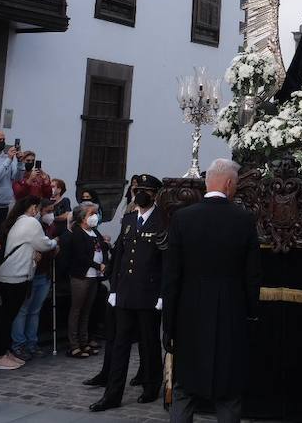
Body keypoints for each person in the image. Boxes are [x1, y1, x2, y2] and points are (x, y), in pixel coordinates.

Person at [162, 159, 262, 423]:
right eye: (237, 184)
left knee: (184, 389)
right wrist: (251, 315)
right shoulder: (244, 219)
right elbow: (252, 275)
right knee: (229, 392)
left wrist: (168, 325)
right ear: (229, 183)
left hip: (189, 315)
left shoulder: (182, 218)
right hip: (231, 314)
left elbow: (171, 277)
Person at [91, 174, 166, 411]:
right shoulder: (128, 219)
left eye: (146, 190)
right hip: (124, 292)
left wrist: (162, 295)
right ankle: (112, 394)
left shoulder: (163, 221)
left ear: (155, 195)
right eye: (138, 189)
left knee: (149, 342)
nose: (140, 193)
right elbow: (120, 256)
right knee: (120, 344)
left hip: (149, 294)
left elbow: (166, 261)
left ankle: (151, 385)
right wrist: (114, 288)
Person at [0, 195, 56, 370]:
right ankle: (0, 355)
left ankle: (5, 351)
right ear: (34, 208)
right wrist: (54, 242)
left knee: (9, 314)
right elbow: (43, 244)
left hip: (8, 275)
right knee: (8, 316)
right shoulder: (30, 223)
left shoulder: (18, 221)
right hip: (16, 276)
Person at [10, 198, 56, 361]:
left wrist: (53, 247)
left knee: (34, 311)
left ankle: (31, 342)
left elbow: (52, 249)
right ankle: (19, 344)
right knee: (23, 310)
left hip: (44, 273)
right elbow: (43, 245)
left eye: (53, 211)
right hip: (29, 273)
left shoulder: (51, 227)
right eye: (47, 211)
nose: (50, 215)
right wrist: (51, 245)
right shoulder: (31, 225)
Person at [61, 202, 108, 358]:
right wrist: (97, 265)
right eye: (91, 214)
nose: (95, 217)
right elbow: (81, 256)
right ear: (82, 217)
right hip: (81, 276)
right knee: (77, 310)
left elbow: (102, 247)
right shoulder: (77, 233)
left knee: (87, 310)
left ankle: (84, 340)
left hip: (94, 277)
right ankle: (74, 344)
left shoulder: (94, 232)